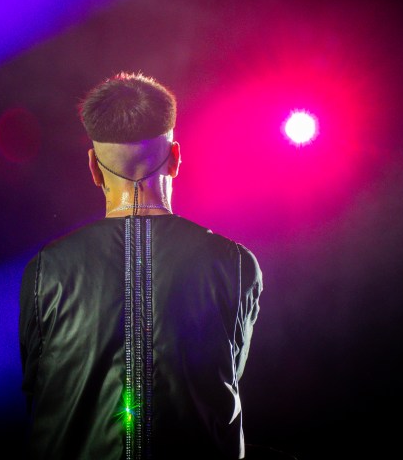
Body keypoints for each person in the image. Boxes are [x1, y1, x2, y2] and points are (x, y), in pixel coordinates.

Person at [19, 71, 263, 459]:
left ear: (93, 167)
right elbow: (227, 379)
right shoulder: (233, 263)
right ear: (177, 158)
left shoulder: (46, 269)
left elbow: (37, 389)